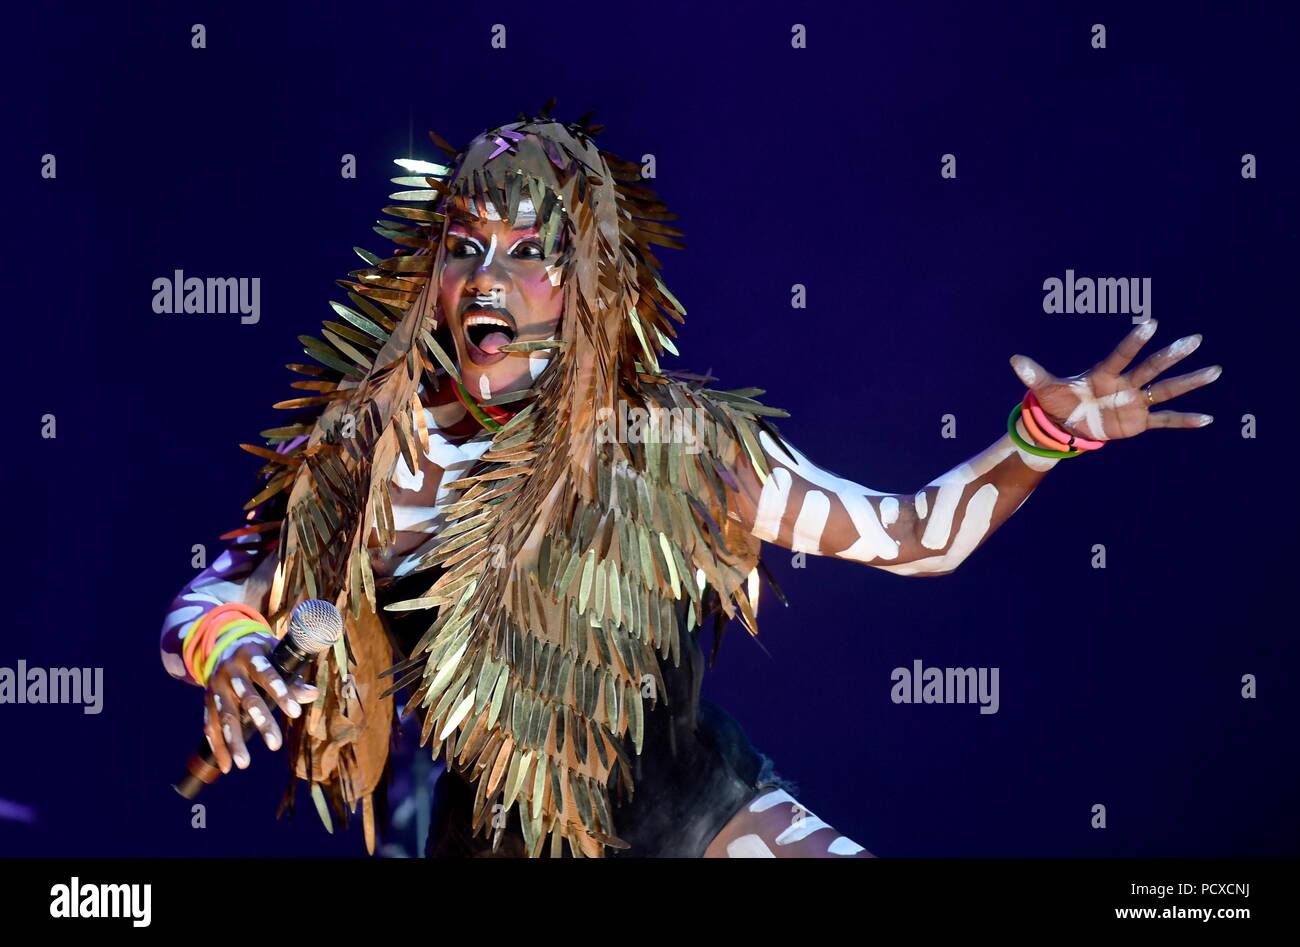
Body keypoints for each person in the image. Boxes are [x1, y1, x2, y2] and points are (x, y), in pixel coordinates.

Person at [160, 109, 1220, 858]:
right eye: (466, 246)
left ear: (592, 283)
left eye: (534, 250)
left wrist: (1041, 436)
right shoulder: (369, 459)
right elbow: (206, 599)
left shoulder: (676, 443)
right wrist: (235, 648)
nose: (489, 278)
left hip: (698, 812)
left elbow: (916, 535)